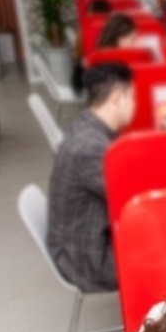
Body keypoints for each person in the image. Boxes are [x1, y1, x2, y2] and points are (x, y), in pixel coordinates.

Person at [46, 63, 136, 292]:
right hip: (87, 259)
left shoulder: (86, 125)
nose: (135, 104)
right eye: (133, 97)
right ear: (117, 97)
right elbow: (132, 200)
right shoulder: (90, 148)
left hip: (84, 240)